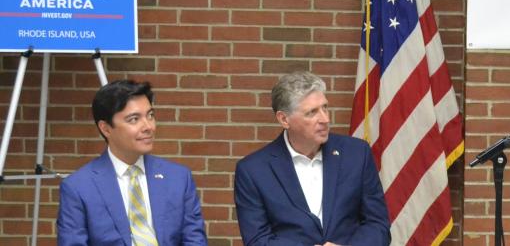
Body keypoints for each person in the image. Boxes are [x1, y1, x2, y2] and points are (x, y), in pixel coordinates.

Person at [234, 71, 390, 246]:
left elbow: (378, 224)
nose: (325, 119)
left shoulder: (357, 154)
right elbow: (257, 240)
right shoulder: (253, 170)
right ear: (284, 119)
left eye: (325, 107)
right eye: (312, 112)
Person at [56, 80, 206, 246]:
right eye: (134, 119)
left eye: (150, 115)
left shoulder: (178, 178)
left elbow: (194, 240)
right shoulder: (78, 188)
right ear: (106, 128)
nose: (148, 126)